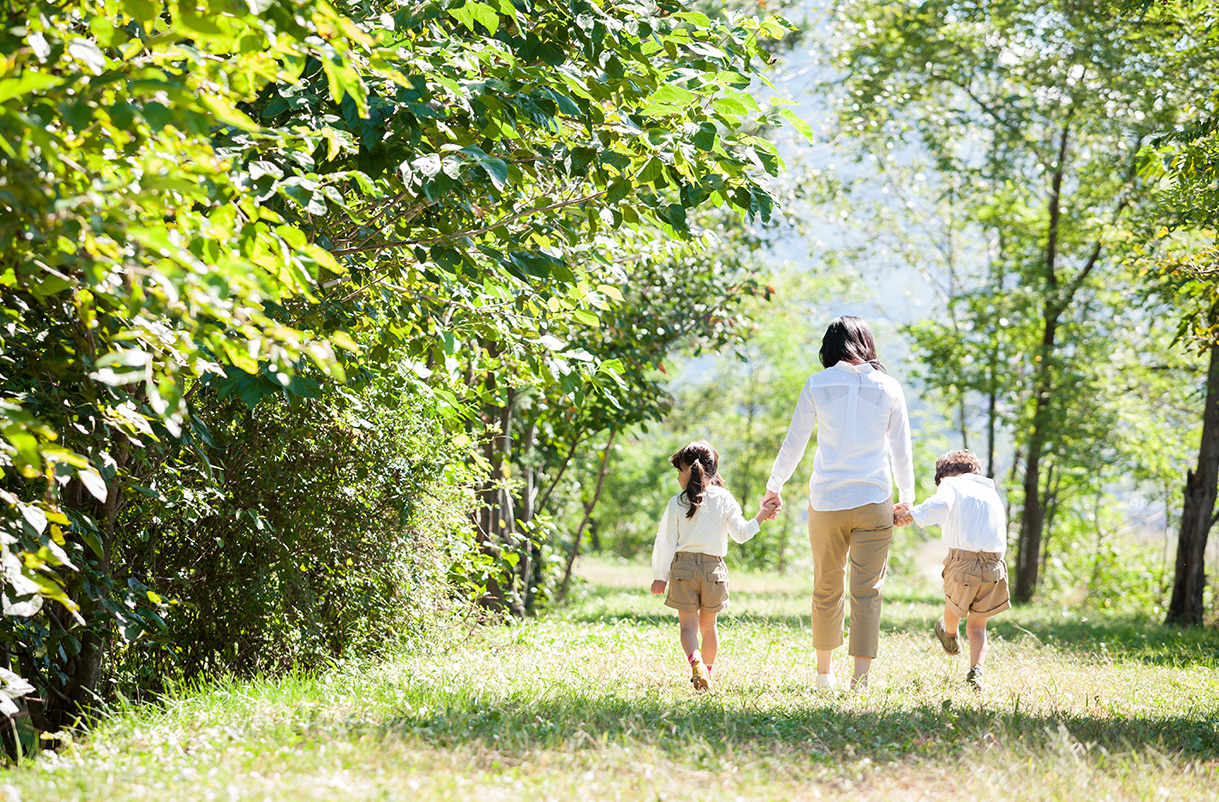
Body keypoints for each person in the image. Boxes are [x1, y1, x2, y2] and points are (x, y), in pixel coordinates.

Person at [762, 316, 914, 691]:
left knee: (826, 585)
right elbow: (901, 449)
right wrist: (907, 499)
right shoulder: (889, 387)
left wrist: (774, 486)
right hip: (874, 498)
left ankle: (824, 674)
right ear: (867, 343)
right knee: (868, 591)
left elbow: (794, 441)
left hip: (827, 500)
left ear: (829, 346)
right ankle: (860, 681)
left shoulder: (818, 384)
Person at [651, 440, 779, 691]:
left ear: (689, 470)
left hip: (684, 570)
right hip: (714, 571)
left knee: (687, 626)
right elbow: (741, 534)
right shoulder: (724, 498)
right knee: (709, 627)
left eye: (679, 471)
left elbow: (665, 541)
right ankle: (707, 672)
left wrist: (660, 575)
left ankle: (695, 663)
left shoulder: (677, 502)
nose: (678, 477)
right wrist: (762, 514)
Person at [894, 449, 1008, 692]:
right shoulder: (990, 492)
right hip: (993, 563)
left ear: (944, 476)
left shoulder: (950, 485)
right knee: (978, 625)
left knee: (953, 605)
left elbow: (939, 505)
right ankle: (977, 670)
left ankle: (948, 632)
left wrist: (911, 513)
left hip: (963, 560)